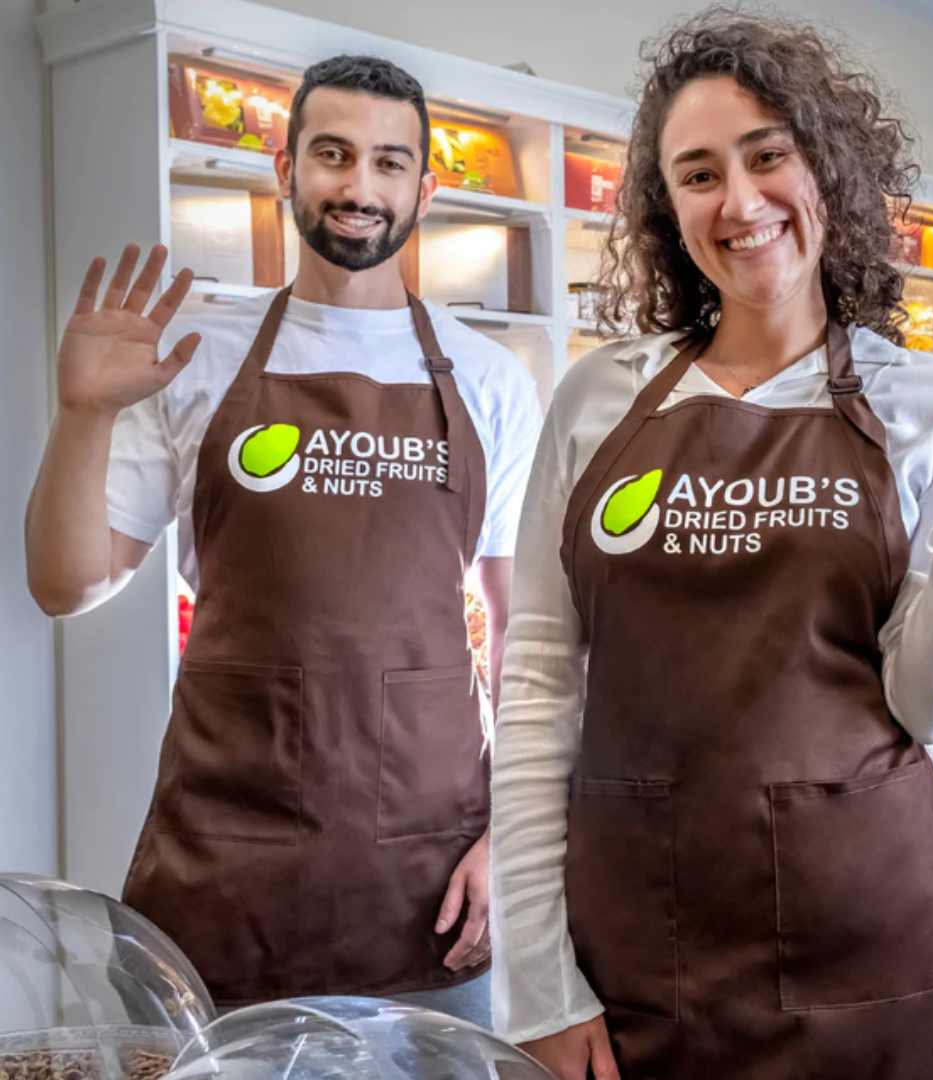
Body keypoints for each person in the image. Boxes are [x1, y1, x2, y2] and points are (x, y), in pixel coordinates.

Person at [489, 8, 933, 1078]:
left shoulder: (920, 401)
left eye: (769, 157)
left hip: (870, 943)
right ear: (669, 211)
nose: (742, 201)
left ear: (828, 175)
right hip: (636, 946)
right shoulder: (598, 399)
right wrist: (534, 976)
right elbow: (535, 685)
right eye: (699, 173)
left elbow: (931, 706)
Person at [25, 54, 544, 1027]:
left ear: (425, 188)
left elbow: (528, 637)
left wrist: (508, 839)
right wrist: (82, 416)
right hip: (226, 873)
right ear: (284, 167)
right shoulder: (196, 360)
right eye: (333, 155)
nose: (359, 186)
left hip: (431, 884)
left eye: (390, 163)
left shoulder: (488, 381)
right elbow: (64, 583)